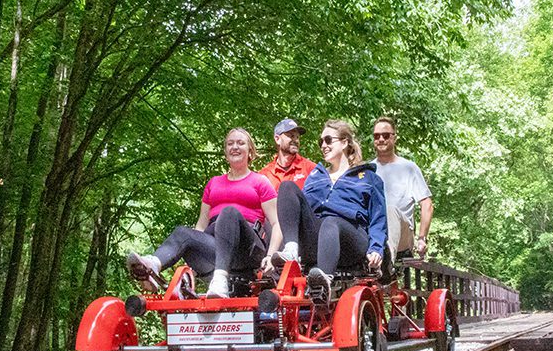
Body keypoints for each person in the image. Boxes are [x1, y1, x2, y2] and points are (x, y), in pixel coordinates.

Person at [127, 128, 282, 298]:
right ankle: (152, 266)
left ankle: (221, 278)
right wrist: (194, 254)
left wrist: (271, 256)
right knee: (182, 233)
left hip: (246, 249)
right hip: (215, 246)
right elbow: (201, 224)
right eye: (230, 144)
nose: (235, 147)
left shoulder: (260, 181)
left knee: (229, 212)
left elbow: (276, 224)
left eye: (240, 143)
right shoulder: (214, 183)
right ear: (225, 152)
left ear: (250, 151)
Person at [264, 119, 387, 302]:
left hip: (351, 241)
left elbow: (378, 217)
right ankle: (291, 250)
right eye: (320, 141)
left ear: (344, 142)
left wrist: (376, 248)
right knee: (287, 187)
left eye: (328, 140)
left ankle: (323, 281)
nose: (323, 145)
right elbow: (302, 211)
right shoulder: (316, 175)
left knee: (331, 221)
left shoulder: (368, 177)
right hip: (319, 239)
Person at [370, 116, 432, 260]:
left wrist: (422, 238)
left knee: (389, 210)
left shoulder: (408, 168)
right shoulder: (368, 170)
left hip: (402, 234)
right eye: (376, 136)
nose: (381, 139)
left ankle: (387, 262)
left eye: (385, 135)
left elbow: (427, 204)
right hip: (374, 230)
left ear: (394, 138)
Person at [259, 118, 317, 191]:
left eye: (297, 137)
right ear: (277, 139)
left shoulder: (311, 169)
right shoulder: (265, 175)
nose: (296, 140)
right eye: (291, 136)